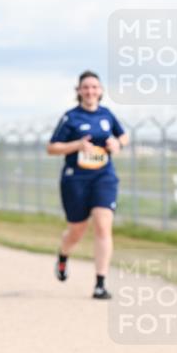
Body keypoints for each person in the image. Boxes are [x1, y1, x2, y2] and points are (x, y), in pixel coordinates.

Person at [46, 70, 128, 300]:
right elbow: (52, 147)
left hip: (104, 177)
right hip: (76, 179)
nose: (90, 91)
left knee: (103, 225)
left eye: (94, 87)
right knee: (77, 230)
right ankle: (63, 255)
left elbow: (123, 137)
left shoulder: (107, 115)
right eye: (86, 87)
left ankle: (100, 283)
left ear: (100, 91)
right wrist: (77, 145)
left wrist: (116, 143)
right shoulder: (71, 117)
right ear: (79, 91)